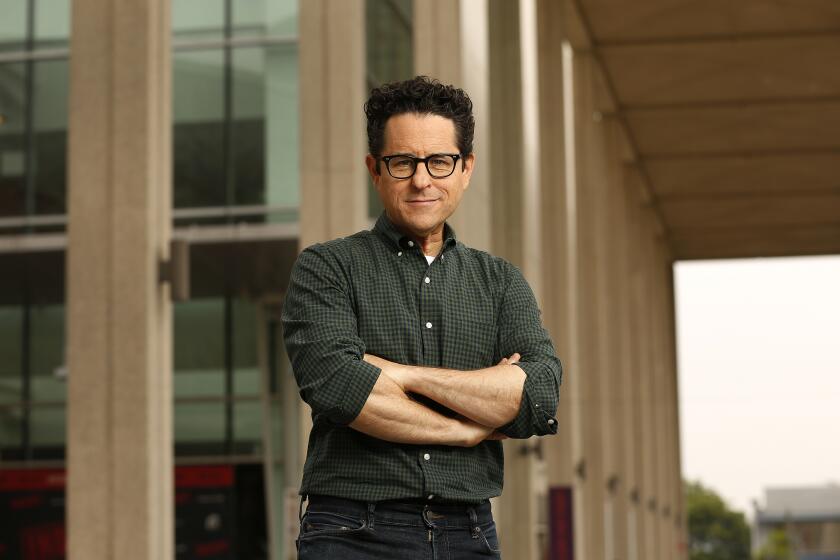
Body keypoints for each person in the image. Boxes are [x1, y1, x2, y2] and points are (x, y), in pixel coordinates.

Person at [282, 75, 562, 559]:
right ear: (375, 169)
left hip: (469, 531)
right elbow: (336, 384)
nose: (422, 179)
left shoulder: (500, 281)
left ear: (466, 168)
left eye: (439, 161)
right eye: (402, 162)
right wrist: (467, 425)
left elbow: (536, 396)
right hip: (352, 530)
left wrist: (398, 374)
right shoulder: (326, 267)